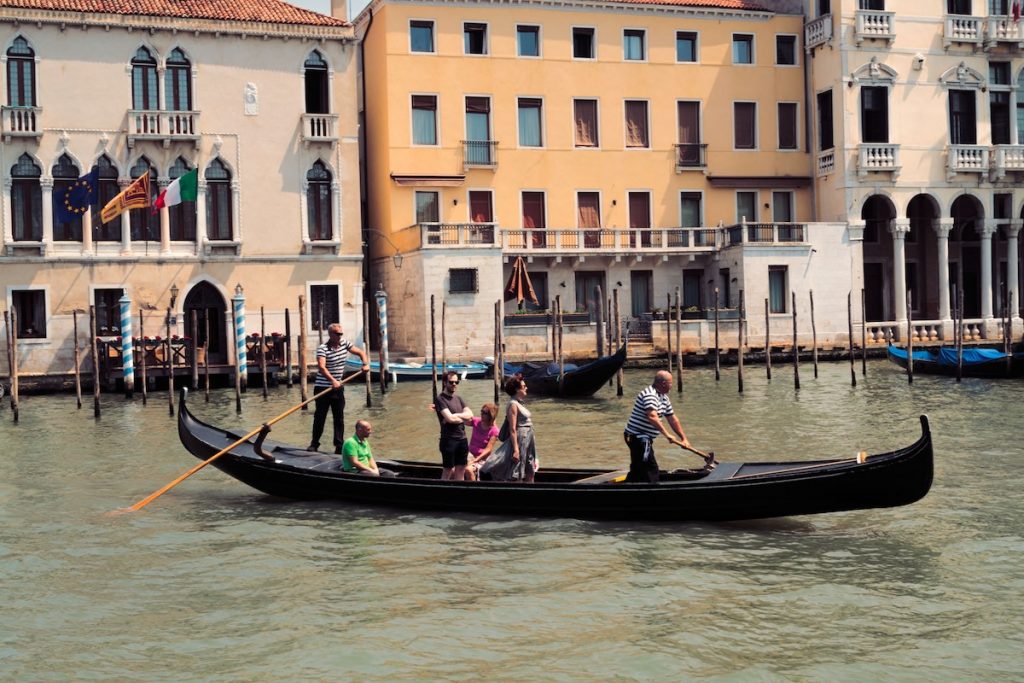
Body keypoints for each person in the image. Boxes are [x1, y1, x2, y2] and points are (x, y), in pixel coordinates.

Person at [309, 322, 369, 454]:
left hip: (338, 388)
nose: (340, 336)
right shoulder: (322, 348)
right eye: (337, 334)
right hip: (322, 388)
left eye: (341, 333)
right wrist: (332, 381)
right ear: (330, 334)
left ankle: (339, 446)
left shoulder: (345, 344)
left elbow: (360, 352)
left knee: (339, 417)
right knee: (320, 417)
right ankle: (314, 444)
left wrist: (365, 364)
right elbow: (322, 367)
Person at [623, 370, 692, 483]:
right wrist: (667, 435)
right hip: (637, 436)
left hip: (643, 437)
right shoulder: (650, 395)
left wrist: (684, 439)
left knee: (638, 467)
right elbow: (652, 416)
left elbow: (672, 418)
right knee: (650, 468)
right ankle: (653, 490)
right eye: (671, 383)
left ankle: (629, 485)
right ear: (663, 383)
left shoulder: (664, 397)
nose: (672, 385)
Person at [435, 371, 473, 480]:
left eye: (457, 382)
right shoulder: (440, 399)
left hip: (462, 439)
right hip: (448, 440)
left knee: (461, 469)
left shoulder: (459, 398)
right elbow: (450, 419)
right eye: (451, 382)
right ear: (445, 382)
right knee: (448, 470)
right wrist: (461, 417)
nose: (454, 384)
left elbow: (470, 415)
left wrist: (456, 415)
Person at [504, 373, 537, 483]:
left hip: (528, 438)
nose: (526, 387)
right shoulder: (513, 404)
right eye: (524, 386)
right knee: (518, 470)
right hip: (520, 439)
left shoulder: (520, 403)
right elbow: (512, 429)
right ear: (517, 390)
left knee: (530, 467)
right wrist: (516, 450)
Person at [466, 402, 500, 481]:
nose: (481, 414)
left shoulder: (494, 430)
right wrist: (440, 409)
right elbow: (461, 420)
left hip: (482, 459)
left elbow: (488, 449)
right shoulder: (476, 421)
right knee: (454, 468)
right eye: (481, 411)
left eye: (484, 413)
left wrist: (476, 460)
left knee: (468, 470)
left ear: (491, 415)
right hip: (469, 454)